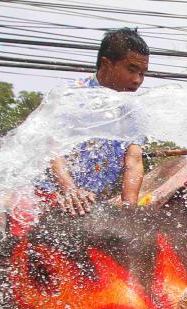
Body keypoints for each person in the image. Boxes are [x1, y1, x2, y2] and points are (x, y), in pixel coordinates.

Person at [47, 28, 149, 215]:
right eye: (131, 70)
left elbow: (133, 161)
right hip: (51, 194)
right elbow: (51, 149)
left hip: (93, 204)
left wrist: (129, 210)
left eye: (142, 73)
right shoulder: (70, 95)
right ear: (106, 64)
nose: (137, 80)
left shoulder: (133, 111)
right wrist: (70, 190)